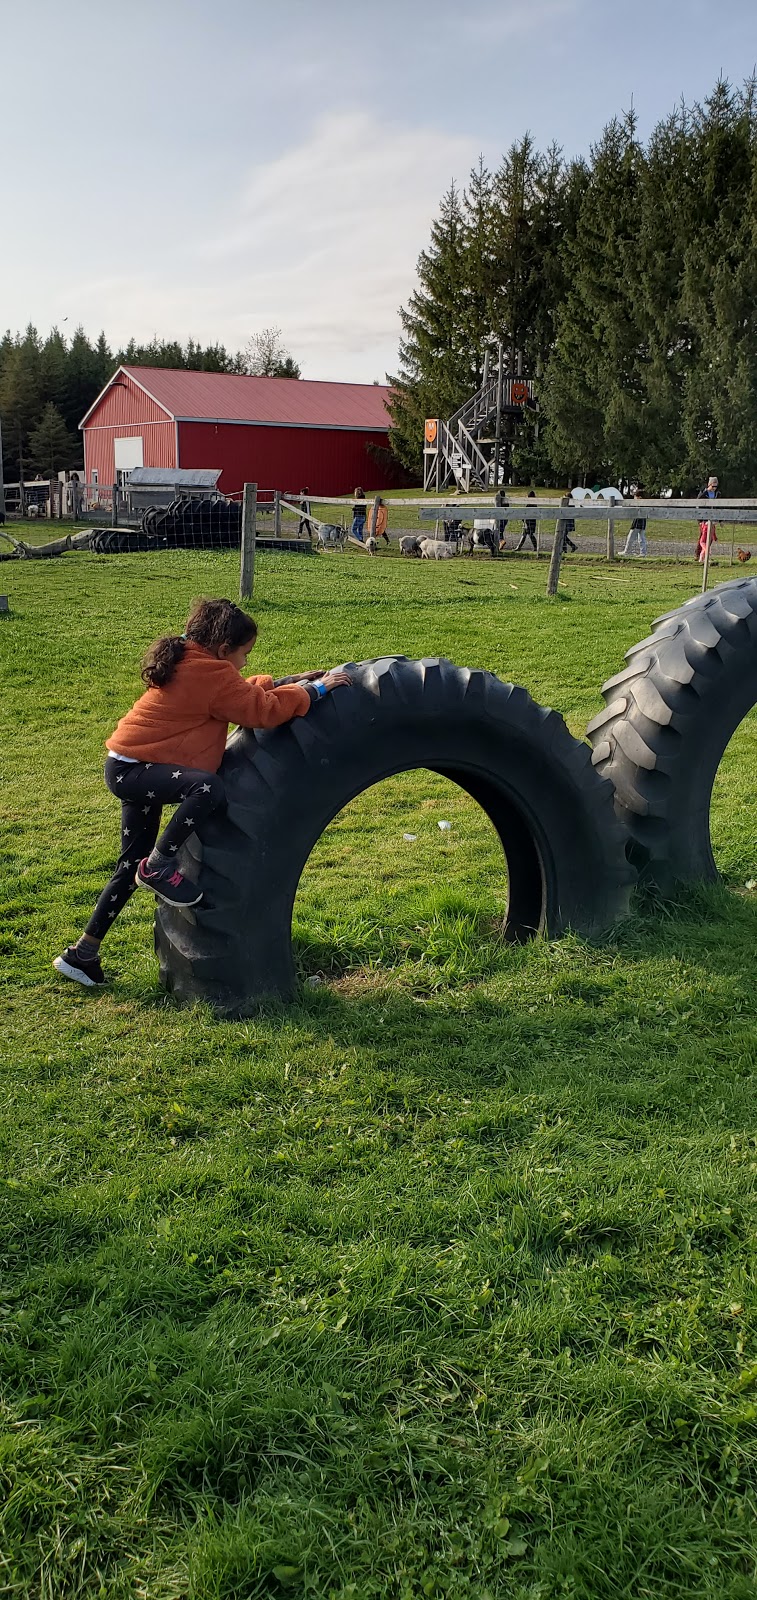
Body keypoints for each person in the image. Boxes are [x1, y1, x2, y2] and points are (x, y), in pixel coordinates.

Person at [53, 598, 351, 987]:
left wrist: (284, 682)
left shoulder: (192, 662)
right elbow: (259, 712)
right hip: (138, 769)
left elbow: (236, 693)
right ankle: (159, 865)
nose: (246, 663)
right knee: (207, 787)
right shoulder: (210, 674)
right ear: (224, 648)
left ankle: (83, 954)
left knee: (129, 868)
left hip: (128, 766)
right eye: (244, 654)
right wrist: (316, 692)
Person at [696, 475, 719, 562]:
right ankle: (699, 554)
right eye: (713, 486)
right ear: (709, 485)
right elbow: (698, 501)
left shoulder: (717, 494)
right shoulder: (704, 493)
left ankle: (702, 556)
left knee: (709, 539)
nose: (714, 488)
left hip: (712, 517)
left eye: (716, 486)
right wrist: (700, 520)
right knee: (702, 538)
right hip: (704, 518)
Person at [622, 488, 648, 557]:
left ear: (639, 497)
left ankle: (627, 551)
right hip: (642, 523)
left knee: (631, 537)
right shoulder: (645, 504)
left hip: (637, 523)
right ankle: (643, 553)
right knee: (642, 538)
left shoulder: (639, 504)